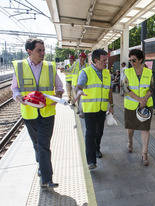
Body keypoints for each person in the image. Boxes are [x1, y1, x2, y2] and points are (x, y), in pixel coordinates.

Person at [11, 38, 64, 189]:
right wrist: (18, 97)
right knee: (37, 145)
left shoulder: (50, 66)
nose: (43, 53)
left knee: (43, 145)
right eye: (39, 50)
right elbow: (14, 88)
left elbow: (59, 86)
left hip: (47, 113)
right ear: (29, 51)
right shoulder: (19, 67)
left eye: (43, 50)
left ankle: (46, 179)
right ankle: (41, 164)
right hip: (29, 114)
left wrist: (59, 94)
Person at [75, 49, 114, 170]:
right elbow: (78, 87)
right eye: (104, 60)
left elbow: (109, 91)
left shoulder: (107, 73)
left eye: (106, 60)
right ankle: (91, 161)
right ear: (96, 60)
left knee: (99, 132)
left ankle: (97, 149)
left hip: (102, 109)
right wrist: (79, 91)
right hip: (90, 109)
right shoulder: (85, 72)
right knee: (90, 133)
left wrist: (111, 106)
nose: (106, 63)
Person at [123, 49, 154, 166]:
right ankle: (130, 141)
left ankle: (144, 153)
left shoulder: (149, 73)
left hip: (146, 106)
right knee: (130, 129)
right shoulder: (127, 72)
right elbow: (126, 89)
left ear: (141, 60)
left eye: (134, 60)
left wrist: (144, 100)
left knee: (145, 129)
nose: (131, 62)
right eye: (130, 60)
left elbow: (151, 88)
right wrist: (140, 100)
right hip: (131, 105)